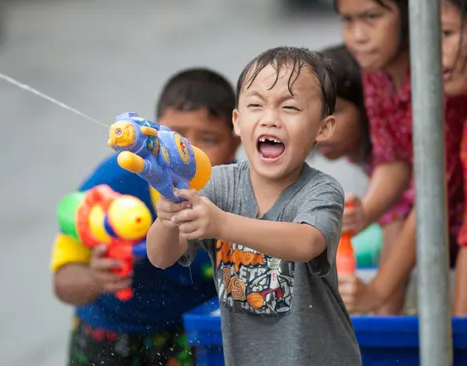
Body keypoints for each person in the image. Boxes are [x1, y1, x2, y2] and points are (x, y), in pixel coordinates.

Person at [146, 46, 362, 366]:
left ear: (323, 128)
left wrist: (221, 224)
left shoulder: (320, 190)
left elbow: (306, 242)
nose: (270, 119)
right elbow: (161, 257)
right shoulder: (218, 185)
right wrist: (166, 220)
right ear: (238, 121)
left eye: (290, 107)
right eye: (256, 105)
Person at [51, 67, 241, 366]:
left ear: (235, 144)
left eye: (208, 139)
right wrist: (96, 278)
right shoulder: (114, 182)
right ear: (152, 134)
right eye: (174, 137)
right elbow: (63, 282)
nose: (186, 153)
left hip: (194, 335)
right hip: (108, 337)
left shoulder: (240, 189)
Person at [333, 0, 467, 315]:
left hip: (448, 208)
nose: (358, 36)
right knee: (393, 216)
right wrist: (365, 212)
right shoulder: (376, 72)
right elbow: (392, 159)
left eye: (372, 17)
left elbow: (435, 194)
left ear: (411, 14)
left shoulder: (441, 77)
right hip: (425, 205)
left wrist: (378, 291)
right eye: (348, 20)